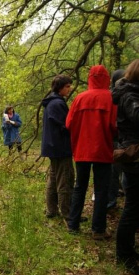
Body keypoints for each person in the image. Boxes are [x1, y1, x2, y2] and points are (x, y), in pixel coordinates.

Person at [65, 65, 117, 240]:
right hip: (103, 150)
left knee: (80, 186)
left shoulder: (79, 98)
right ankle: (98, 230)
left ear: (90, 78)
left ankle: (73, 225)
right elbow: (115, 126)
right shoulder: (111, 98)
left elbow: (69, 123)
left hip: (82, 150)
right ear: (107, 78)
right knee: (102, 190)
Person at [112, 59, 139, 275]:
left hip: (131, 154)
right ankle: (124, 254)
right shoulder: (130, 95)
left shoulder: (128, 93)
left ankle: (127, 251)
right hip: (134, 157)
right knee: (132, 207)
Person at [41, 75, 74, 220]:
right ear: (60, 87)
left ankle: (51, 210)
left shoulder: (52, 102)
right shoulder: (57, 104)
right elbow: (66, 126)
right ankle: (67, 213)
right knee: (64, 180)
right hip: (60, 147)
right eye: (67, 86)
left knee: (54, 179)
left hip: (52, 147)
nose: (70, 88)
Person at [107, 69, 125, 209]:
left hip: (123, 139)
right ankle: (110, 202)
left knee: (120, 173)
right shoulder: (112, 97)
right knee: (113, 173)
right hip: (115, 139)